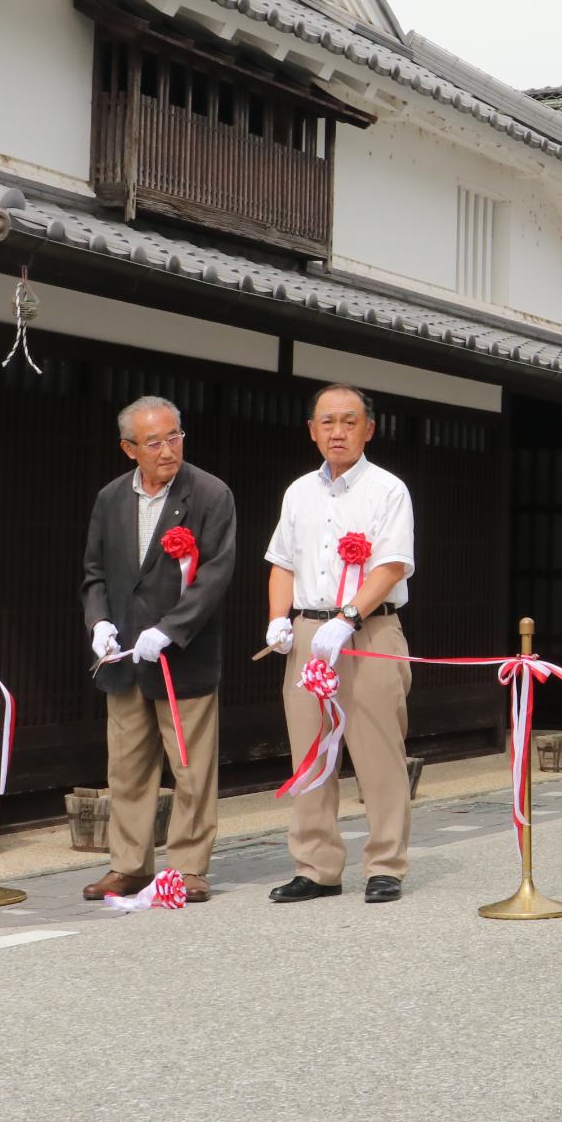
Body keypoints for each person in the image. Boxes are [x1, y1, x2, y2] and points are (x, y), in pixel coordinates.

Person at [262, 384, 416, 905]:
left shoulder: (388, 489)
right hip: (309, 631)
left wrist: (349, 616)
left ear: (368, 429)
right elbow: (282, 561)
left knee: (378, 750)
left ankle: (385, 864)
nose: (338, 431)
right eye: (327, 422)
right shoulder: (297, 492)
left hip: (369, 630)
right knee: (309, 751)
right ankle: (317, 866)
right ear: (311, 430)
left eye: (349, 421)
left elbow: (391, 564)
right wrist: (277, 620)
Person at [79, 396, 235, 903]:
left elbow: (214, 575)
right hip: (124, 657)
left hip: (182, 654)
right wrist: (99, 622)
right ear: (129, 448)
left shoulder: (210, 494)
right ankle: (128, 865)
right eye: (154, 442)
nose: (168, 450)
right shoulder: (110, 499)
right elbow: (95, 574)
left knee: (190, 766)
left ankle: (189, 867)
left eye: (175, 436)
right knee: (126, 766)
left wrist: (170, 629)